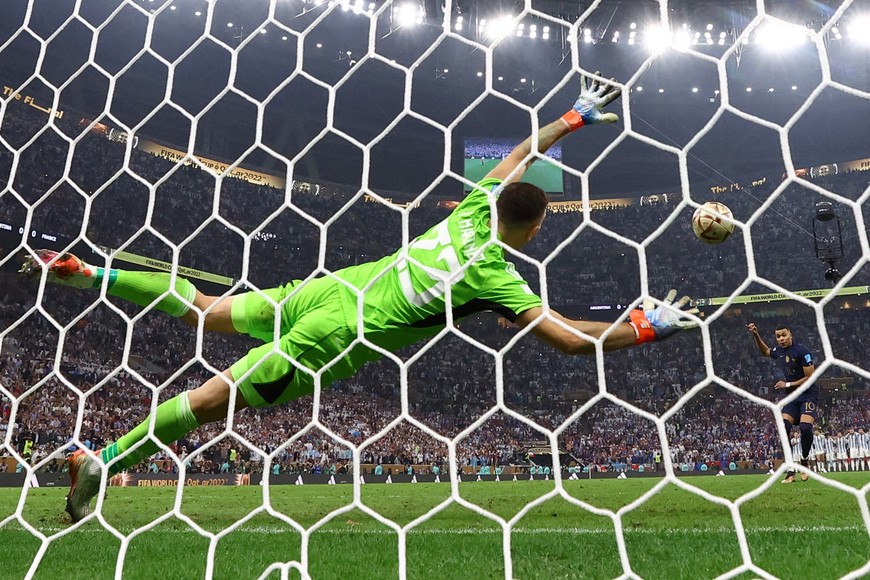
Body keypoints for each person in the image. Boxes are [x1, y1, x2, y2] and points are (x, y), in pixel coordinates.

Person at [21, 73, 699, 523]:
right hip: (331, 340)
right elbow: (570, 339)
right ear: (537, 226)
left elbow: (521, 151)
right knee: (208, 403)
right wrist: (642, 326)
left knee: (201, 304)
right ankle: (102, 462)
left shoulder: (472, 208)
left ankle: (94, 273)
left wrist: (575, 116)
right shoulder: (497, 274)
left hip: (323, 291)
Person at [746, 322, 817, 483]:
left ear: (790, 334)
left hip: (807, 395)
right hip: (791, 397)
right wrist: (756, 334)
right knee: (784, 428)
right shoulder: (778, 351)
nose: (781, 339)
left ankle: (804, 461)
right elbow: (765, 351)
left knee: (805, 428)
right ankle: (790, 470)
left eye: (784, 335)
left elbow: (810, 377)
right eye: (778, 336)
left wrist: (787, 384)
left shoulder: (802, 351)